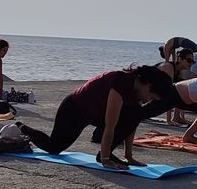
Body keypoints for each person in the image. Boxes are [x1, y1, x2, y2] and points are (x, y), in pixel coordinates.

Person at [17, 65, 174, 169]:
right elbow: (110, 126)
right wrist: (105, 160)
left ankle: (107, 154)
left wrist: (129, 157)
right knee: (54, 148)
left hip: (95, 113)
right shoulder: (121, 82)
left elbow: (131, 125)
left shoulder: (135, 93)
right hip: (74, 109)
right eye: (151, 96)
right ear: (147, 85)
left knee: (135, 114)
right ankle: (23, 128)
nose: (149, 100)